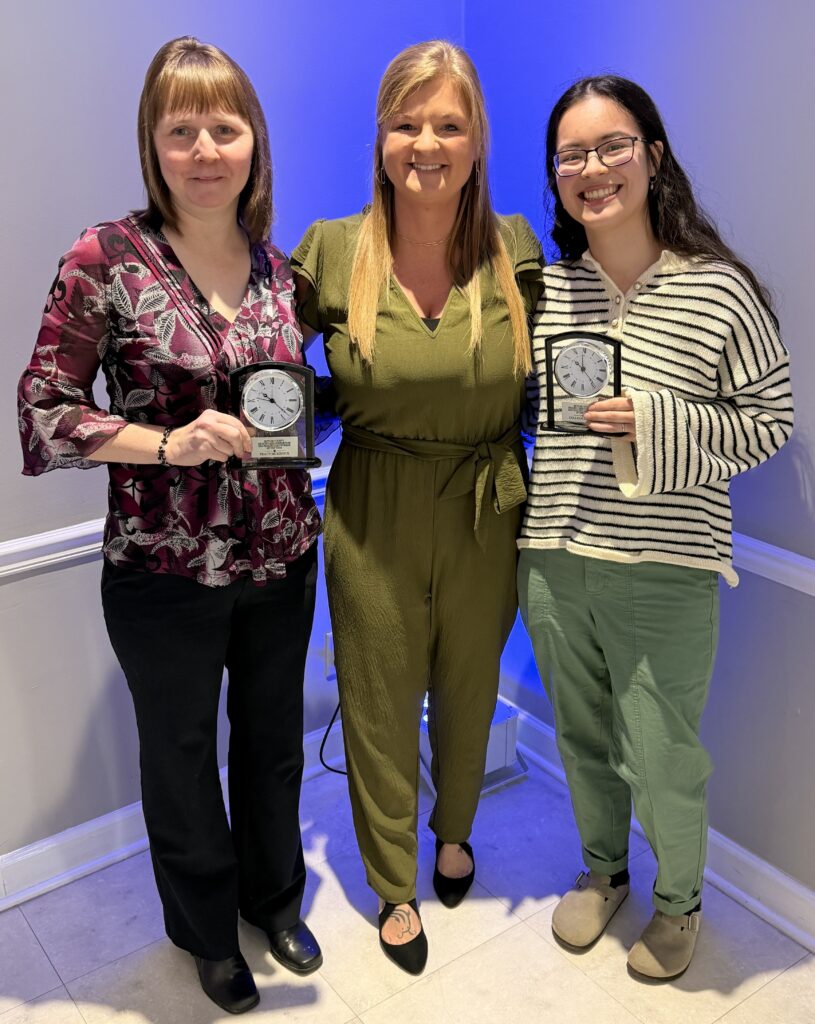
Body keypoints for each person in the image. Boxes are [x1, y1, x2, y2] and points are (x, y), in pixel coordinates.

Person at [18, 37, 322, 1014]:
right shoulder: (106, 259)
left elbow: (299, 398)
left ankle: (274, 899)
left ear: (253, 141)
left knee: (273, 743)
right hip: (161, 568)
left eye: (223, 128)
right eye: (180, 129)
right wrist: (164, 442)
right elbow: (44, 409)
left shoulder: (281, 271)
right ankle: (206, 933)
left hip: (282, 555)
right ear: (152, 143)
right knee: (182, 758)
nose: (203, 150)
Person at [518, 75, 793, 979]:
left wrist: (655, 421)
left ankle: (679, 903)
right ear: (554, 175)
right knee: (580, 736)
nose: (592, 169)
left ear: (653, 155)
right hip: (553, 556)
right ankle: (602, 871)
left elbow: (768, 420)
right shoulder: (545, 292)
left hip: (664, 561)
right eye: (571, 155)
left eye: (612, 146)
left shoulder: (718, 291)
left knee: (663, 753)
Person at [291, 40, 542, 975]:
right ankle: (393, 881)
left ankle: (455, 832)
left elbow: (559, 367)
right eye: (406, 123)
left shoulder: (515, 249)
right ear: (381, 137)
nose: (426, 143)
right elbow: (257, 356)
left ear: (477, 140)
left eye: (448, 123)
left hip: (487, 499)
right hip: (373, 501)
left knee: (470, 684)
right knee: (379, 698)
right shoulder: (332, 249)